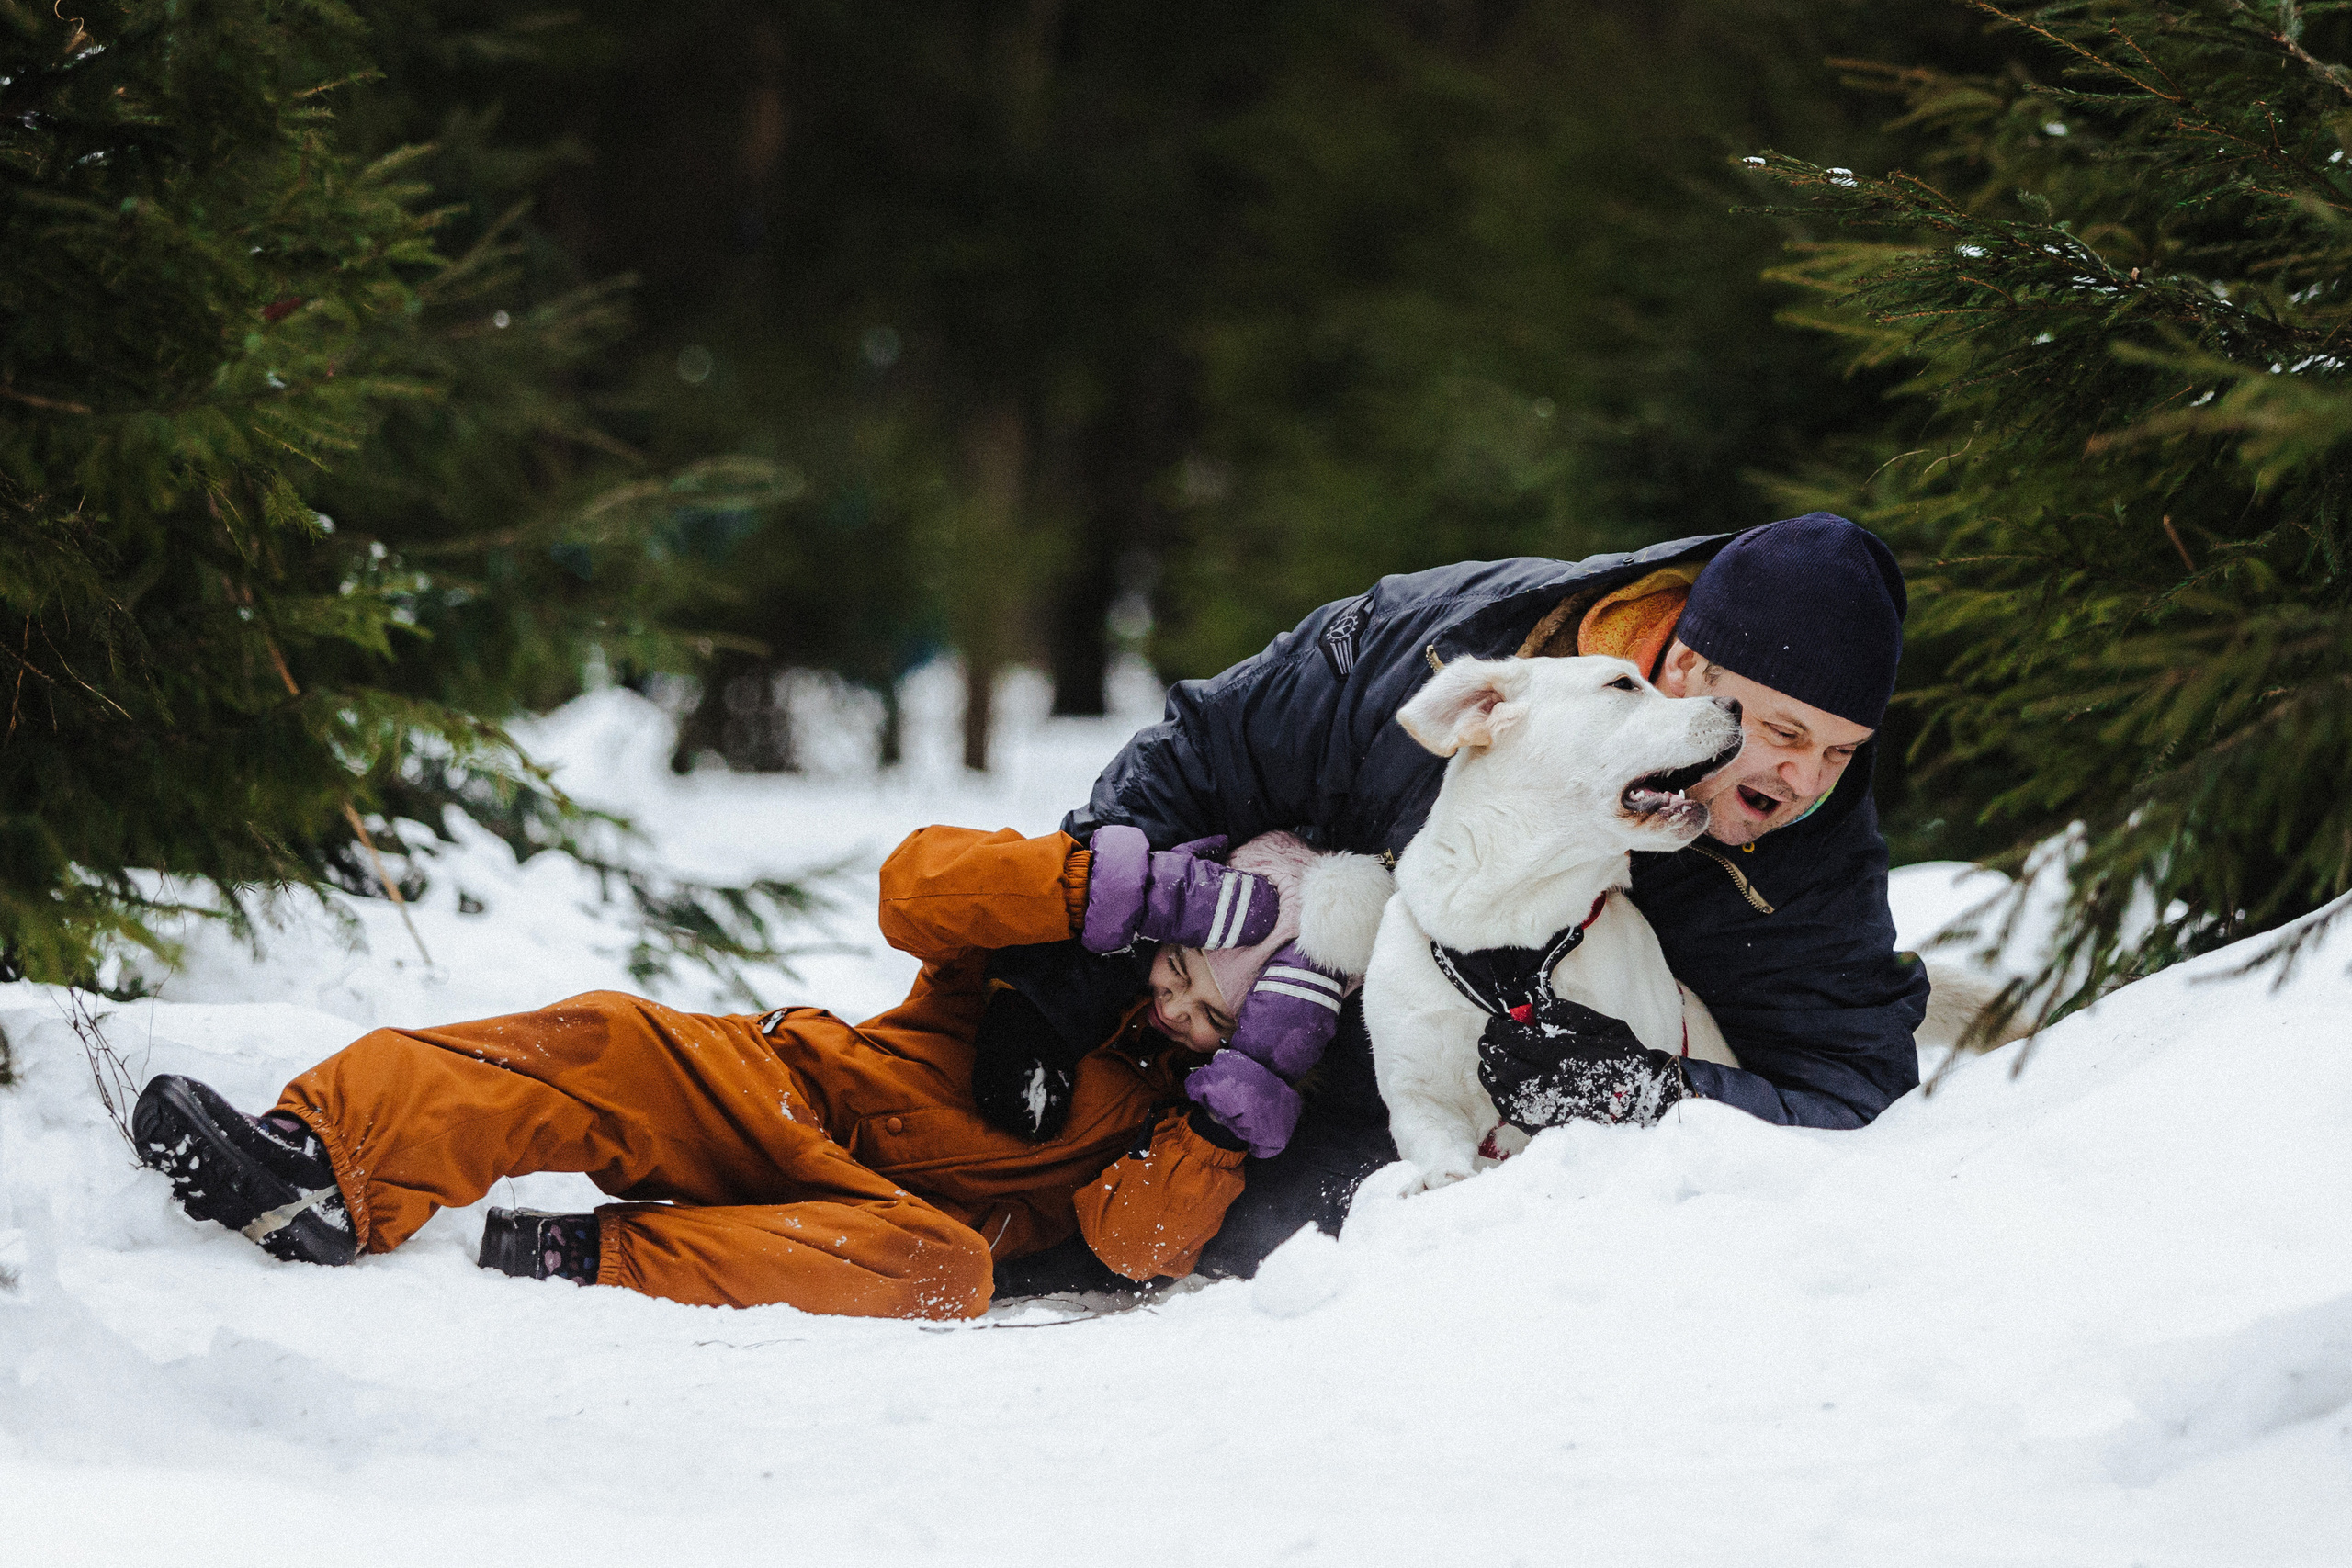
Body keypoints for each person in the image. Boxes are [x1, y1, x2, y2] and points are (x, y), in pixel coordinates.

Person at [977, 512, 1931, 1282]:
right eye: (1782, 733)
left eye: (1842, 752)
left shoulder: (1814, 859)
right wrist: (1043, 993)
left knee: (1234, 1234)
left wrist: (1650, 1089)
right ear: (1687, 675)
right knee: (976, 1094)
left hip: (1405, 1104)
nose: (1805, 781)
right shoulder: (1441, 650)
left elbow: (1850, 1093)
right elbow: (1196, 756)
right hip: (1228, 956)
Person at [130, 824, 1389, 1317]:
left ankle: (584, 1258)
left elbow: (1139, 1242)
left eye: (1213, 1016)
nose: (1172, 1007)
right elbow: (914, 888)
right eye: (1175, 966)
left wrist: (1236, 1104)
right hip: (794, 1090)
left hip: (880, 1221)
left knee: (945, 1270)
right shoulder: (1060, 971)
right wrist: (1118, 889)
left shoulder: (1186, 1116)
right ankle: (320, 1162)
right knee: (604, 1040)